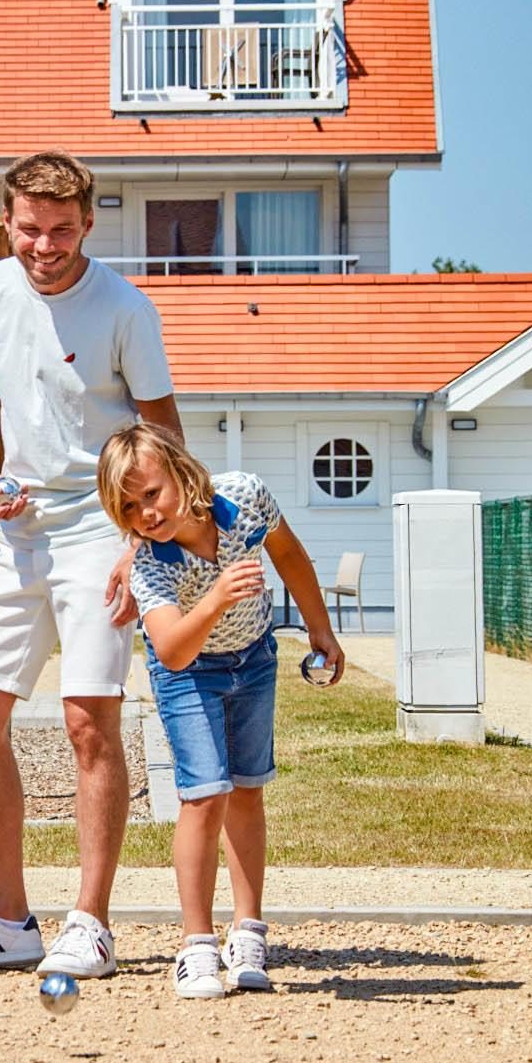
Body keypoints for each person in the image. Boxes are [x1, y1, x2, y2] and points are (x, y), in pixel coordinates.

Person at [0, 150, 182, 977]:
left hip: (103, 529)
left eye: (62, 230)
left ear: (88, 224)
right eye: (29, 229)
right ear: (8, 224)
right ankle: (8, 918)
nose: (45, 246)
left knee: (87, 721)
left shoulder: (126, 308)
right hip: (22, 534)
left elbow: (163, 435)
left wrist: (141, 545)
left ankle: (89, 921)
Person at [97, 420, 344, 999]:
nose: (146, 515)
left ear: (181, 473)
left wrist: (320, 629)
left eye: (151, 494)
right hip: (189, 675)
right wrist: (215, 597)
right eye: (129, 509)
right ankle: (196, 945)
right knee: (205, 794)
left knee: (247, 788)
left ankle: (248, 932)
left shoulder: (247, 497)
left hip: (254, 658)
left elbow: (291, 555)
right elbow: (172, 650)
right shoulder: (151, 564)